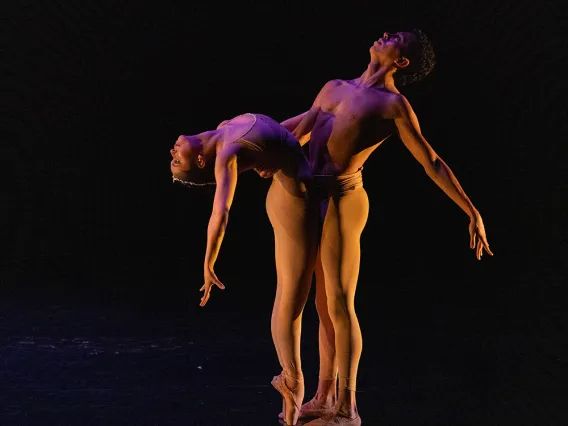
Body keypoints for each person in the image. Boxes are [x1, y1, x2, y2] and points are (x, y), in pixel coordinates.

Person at [272, 29, 493, 425]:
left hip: (343, 200)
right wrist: (246, 144)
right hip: (308, 197)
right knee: (320, 304)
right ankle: (323, 395)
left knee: (338, 301)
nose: (385, 34)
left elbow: (432, 162)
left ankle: (347, 403)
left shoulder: (393, 105)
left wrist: (471, 211)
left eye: (396, 38)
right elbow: (300, 128)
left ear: (401, 61)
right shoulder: (333, 87)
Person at [169, 112, 318, 426]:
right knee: (291, 298)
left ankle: (294, 387)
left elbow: (281, 132)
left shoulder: (225, 128)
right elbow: (220, 213)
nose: (172, 154)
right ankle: (293, 381)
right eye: (177, 161)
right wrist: (209, 262)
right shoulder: (226, 154)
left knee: (295, 295)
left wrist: (292, 140)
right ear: (199, 161)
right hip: (295, 205)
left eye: (173, 160)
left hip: (289, 193)